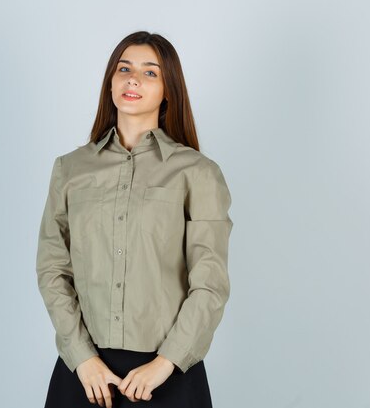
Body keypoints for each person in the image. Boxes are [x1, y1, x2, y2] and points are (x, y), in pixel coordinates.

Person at [36, 30, 233, 408]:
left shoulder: (197, 173)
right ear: (110, 81)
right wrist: (83, 358)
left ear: (168, 90)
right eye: (124, 68)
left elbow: (209, 284)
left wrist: (165, 363)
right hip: (84, 375)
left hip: (167, 378)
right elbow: (52, 269)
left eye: (150, 73)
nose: (133, 79)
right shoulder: (70, 169)